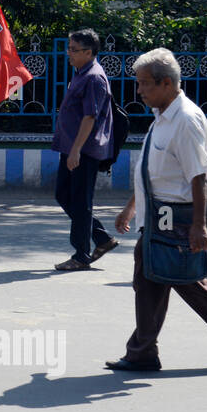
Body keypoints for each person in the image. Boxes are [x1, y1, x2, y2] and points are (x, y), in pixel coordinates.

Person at [105, 48, 207, 372]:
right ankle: (147, 350)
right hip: (157, 213)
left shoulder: (186, 120)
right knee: (159, 277)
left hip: (175, 216)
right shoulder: (163, 116)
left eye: (144, 84)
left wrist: (199, 226)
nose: (139, 90)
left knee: (178, 277)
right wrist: (131, 208)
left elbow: (198, 176)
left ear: (166, 83)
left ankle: (147, 351)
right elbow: (154, 172)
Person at [51, 28, 118, 271]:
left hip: (84, 149)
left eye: (73, 49)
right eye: (69, 48)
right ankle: (101, 238)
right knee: (64, 195)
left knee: (80, 201)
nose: (68, 53)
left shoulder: (94, 77)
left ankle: (81, 254)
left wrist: (77, 150)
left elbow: (90, 117)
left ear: (88, 52)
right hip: (71, 147)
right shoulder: (81, 73)